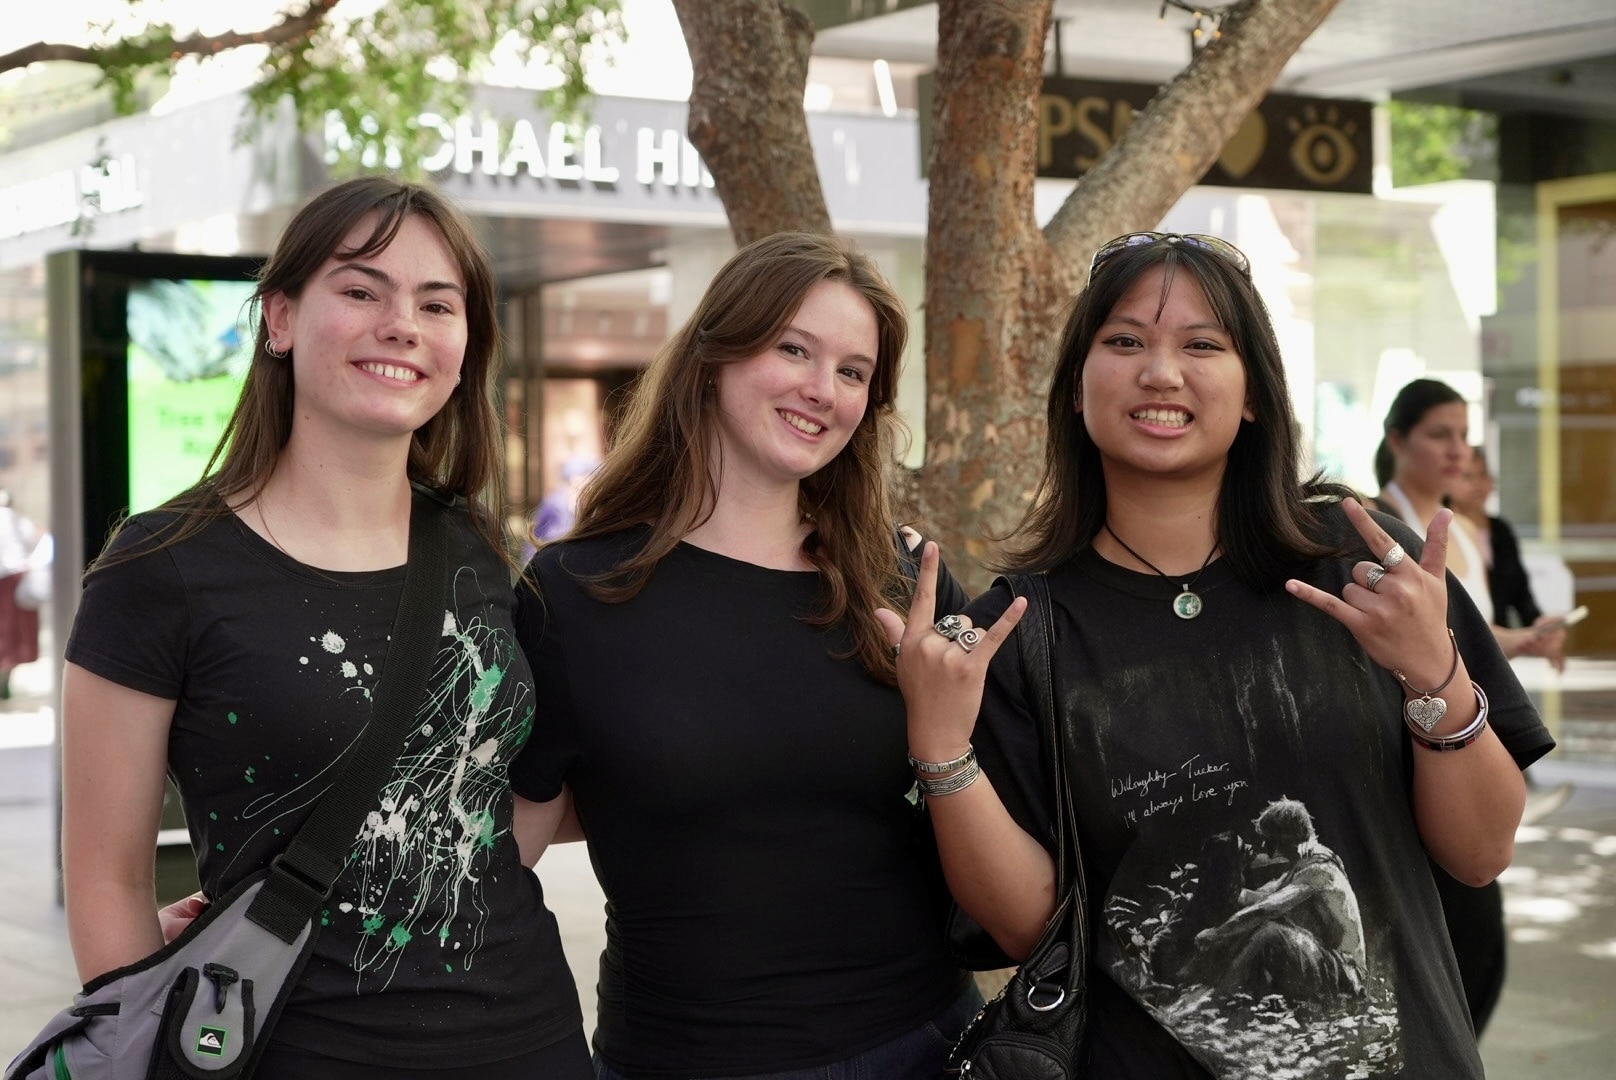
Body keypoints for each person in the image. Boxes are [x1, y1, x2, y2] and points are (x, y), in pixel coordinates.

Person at [881, 232, 1553, 1077]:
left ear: (1254, 396)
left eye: (1202, 345)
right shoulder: (1023, 630)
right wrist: (941, 748)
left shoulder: (1364, 567)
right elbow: (1025, 928)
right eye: (1124, 342)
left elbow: (1483, 851)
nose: (1161, 373)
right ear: (1077, 390)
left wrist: (1434, 674)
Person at [60, 177, 590, 1079]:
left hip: (530, 1041)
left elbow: (492, 808)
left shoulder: (487, 557)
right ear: (278, 319)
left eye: (436, 302)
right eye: (360, 290)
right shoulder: (160, 568)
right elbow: (107, 882)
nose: (402, 324)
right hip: (288, 1053)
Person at [508, 231, 979, 1080]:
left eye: (852, 371)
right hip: (688, 1057)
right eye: (793, 348)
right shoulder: (575, 592)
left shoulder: (905, 582)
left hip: (926, 1045)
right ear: (713, 357)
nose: (821, 390)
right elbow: (507, 846)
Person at [1373, 378, 1567, 669]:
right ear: (1398, 440)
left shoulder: (1464, 529)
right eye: (1439, 435)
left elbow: (1476, 635)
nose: (1458, 450)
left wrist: (1529, 637)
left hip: (1473, 706)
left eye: (1464, 436)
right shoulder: (1373, 520)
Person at [0, 489, 42, 701]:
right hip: (14, 579)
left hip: (10, 580)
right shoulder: (17, 521)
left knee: (7, 635)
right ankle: (5, 678)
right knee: (11, 635)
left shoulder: (15, 521)